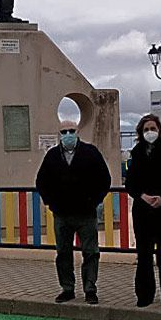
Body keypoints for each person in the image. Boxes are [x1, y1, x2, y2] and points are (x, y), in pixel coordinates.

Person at [35, 121, 111, 304]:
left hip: (86, 214)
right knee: (63, 253)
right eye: (64, 131)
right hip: (62, 215)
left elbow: (104, 179)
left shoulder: (90, 152)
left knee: (91, 252)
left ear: (77, 132)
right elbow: (41, 182)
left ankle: (90, 289)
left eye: (71, 131)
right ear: (59, 133)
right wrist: (51, 204)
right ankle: (67, 288)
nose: (67, 134)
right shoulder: (52, 155)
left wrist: (95, 201)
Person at [124, 114, 161, 308]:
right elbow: (131, 183)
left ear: (160, 131)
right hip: (143, 212)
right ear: (141, 133)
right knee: (144, 255)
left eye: (153, 128)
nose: (150, 132)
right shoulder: (136, 153)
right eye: (146, 129)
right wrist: (142, 196)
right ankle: (144, 295)